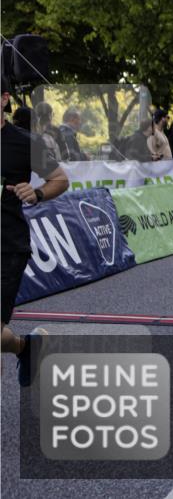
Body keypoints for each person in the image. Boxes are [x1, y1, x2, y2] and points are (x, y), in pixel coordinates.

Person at [1, 77, 68, 386]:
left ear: (4, 99)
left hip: (7, 245)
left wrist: (37, 192)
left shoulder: (25, 142)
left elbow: (60, 179)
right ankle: (27, 348)